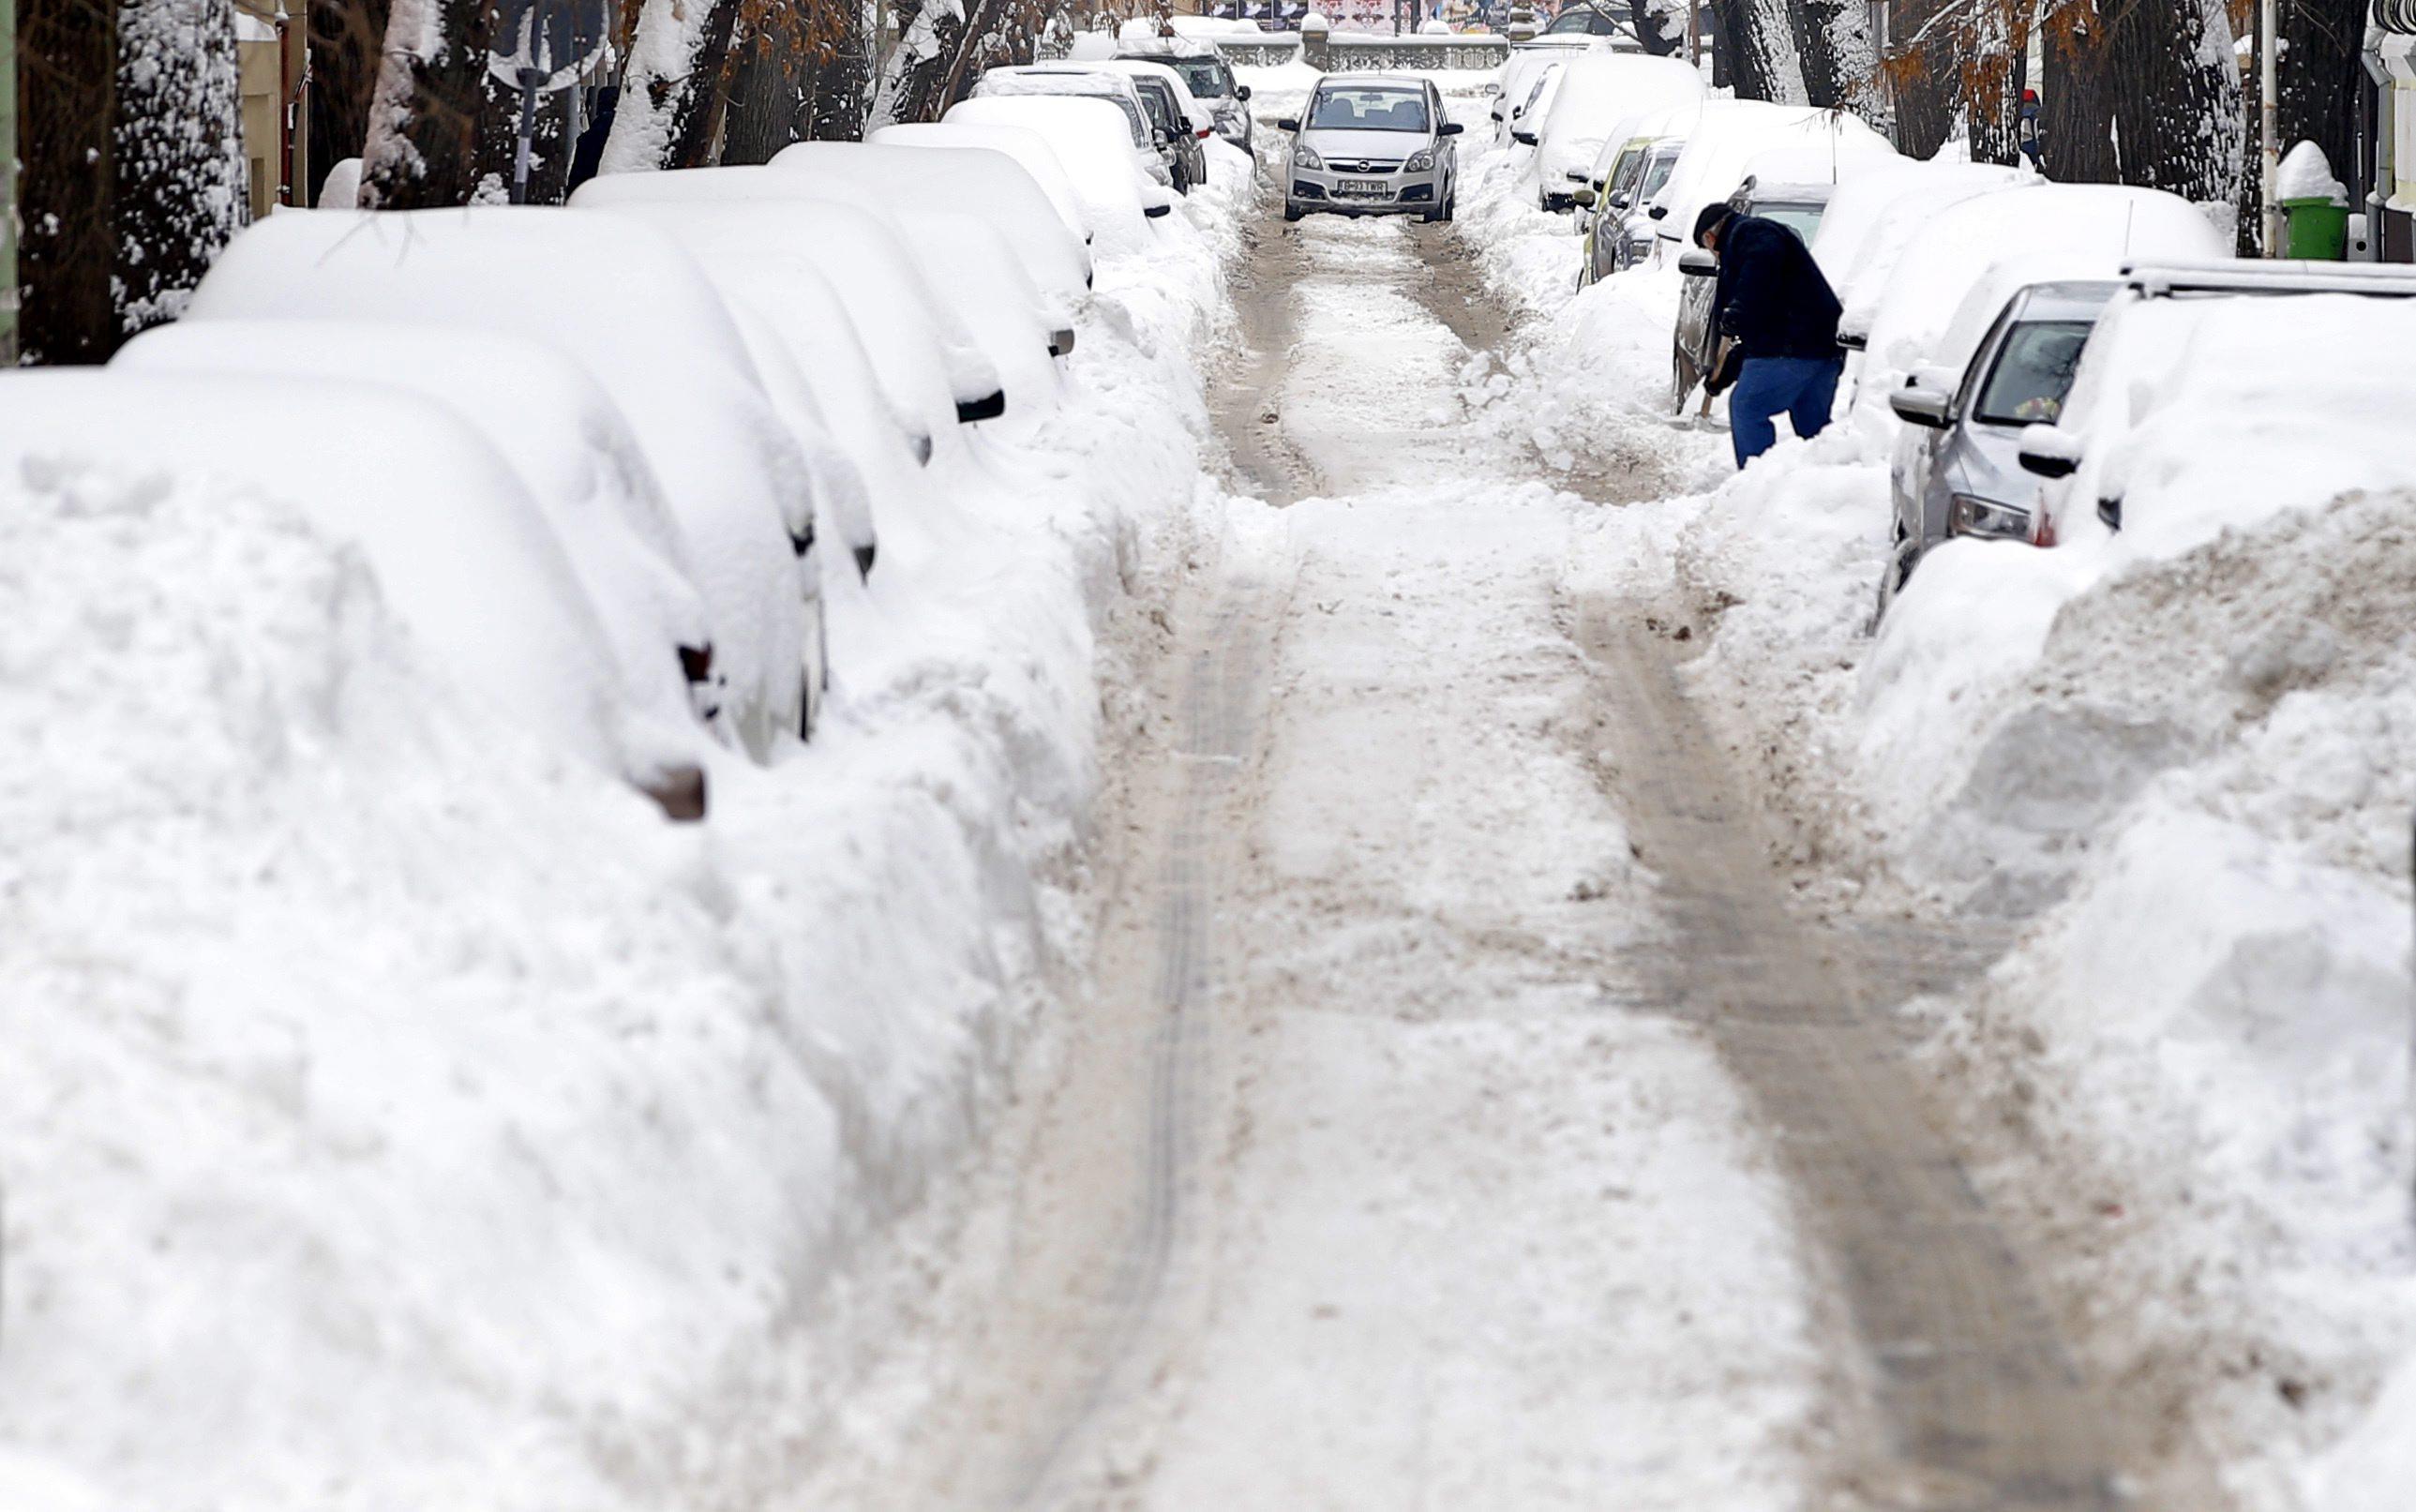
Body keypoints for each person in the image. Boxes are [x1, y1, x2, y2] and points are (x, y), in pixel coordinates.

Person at [1694, 202, 1846, 469]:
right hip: (1821, 347)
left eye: (1710, 251)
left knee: (1748, 406)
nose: (1716, 258)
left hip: (1791, 348)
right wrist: (1727, 369)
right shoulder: (1756, 245)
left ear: (1710, 237)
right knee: (1815, 432)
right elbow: (1765, 316)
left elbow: (1761, 267)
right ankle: (1824, 495)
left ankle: (1757, 484)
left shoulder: (1749, 232)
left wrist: (1739, 308)